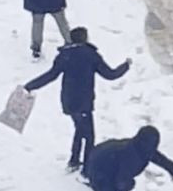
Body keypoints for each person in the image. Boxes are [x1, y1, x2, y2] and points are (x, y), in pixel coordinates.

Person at [24, 26, 131, 173]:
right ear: (85, 38)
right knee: (89, 136)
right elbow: (110, 75)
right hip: (84, 102)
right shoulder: (91, 55)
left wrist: (30, 86)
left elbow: (50, 75)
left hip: (69, 101)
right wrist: (125, 66)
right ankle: (87, 170)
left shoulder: (64, 56)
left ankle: (74, 161)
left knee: (80, 130)